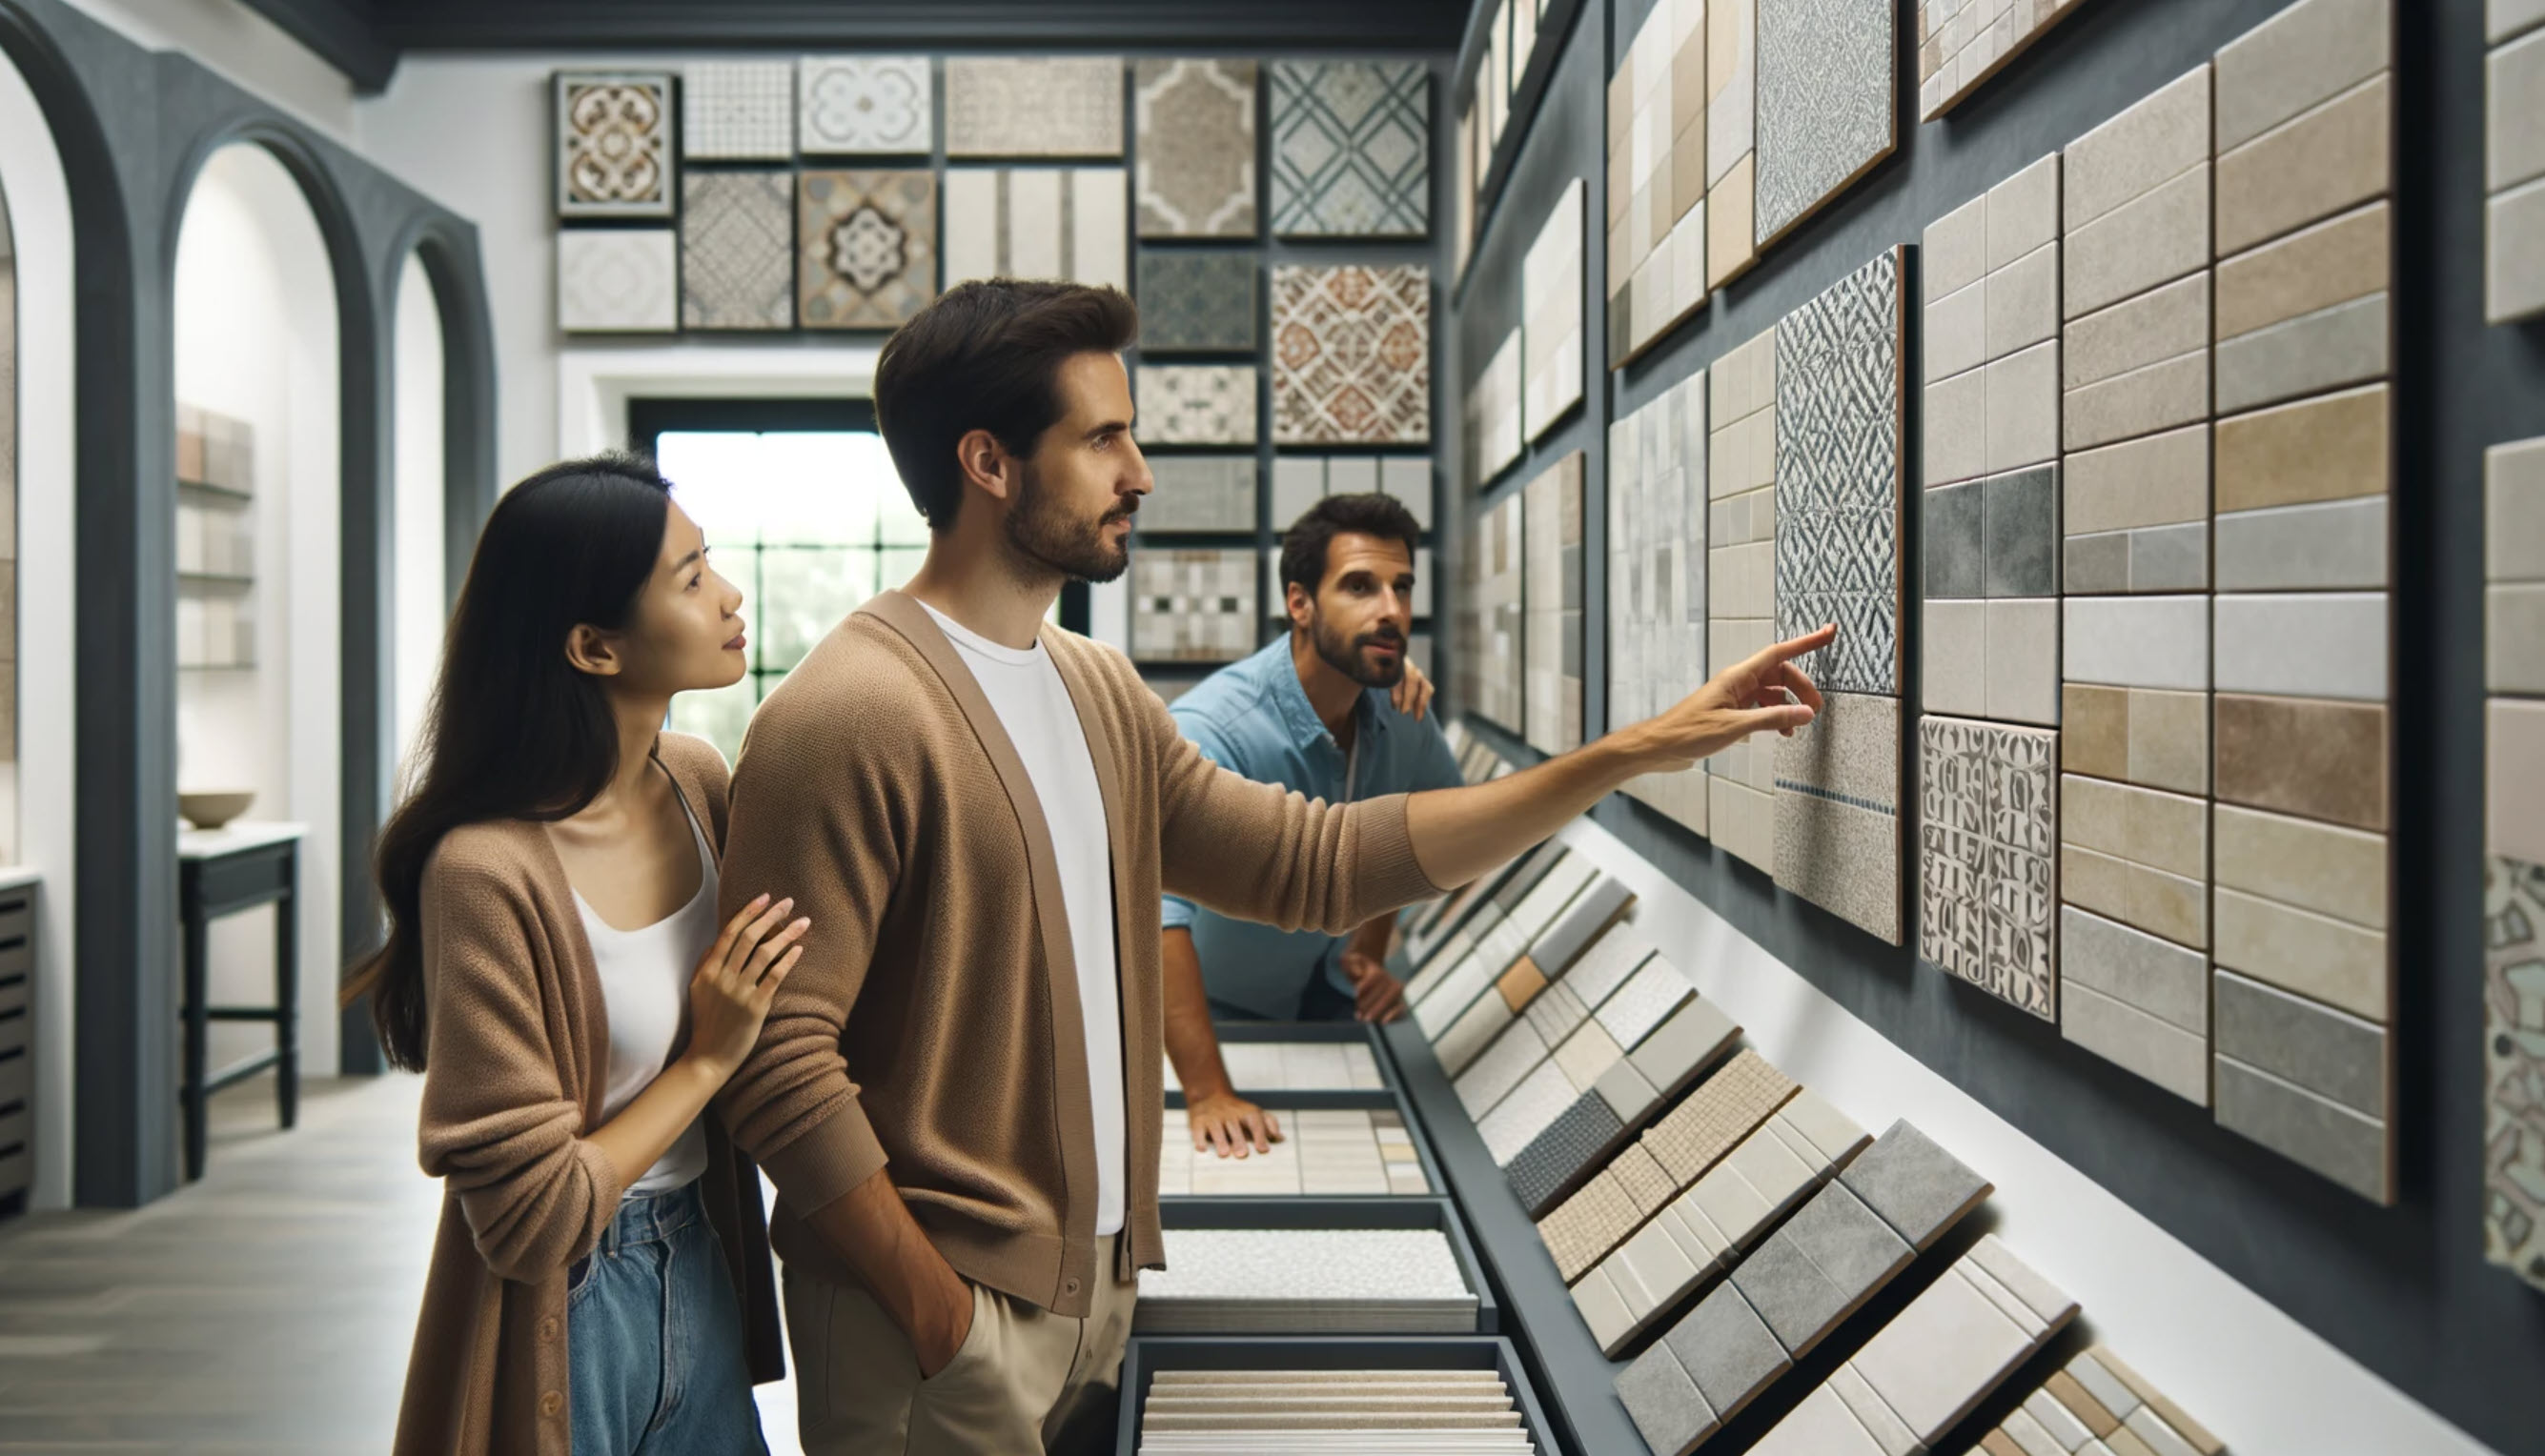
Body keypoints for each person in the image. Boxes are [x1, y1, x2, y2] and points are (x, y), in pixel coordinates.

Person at [712, 278, 1834, 1456]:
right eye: (1104, 438)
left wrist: (1637, 750)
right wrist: (940, 1316)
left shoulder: (1096, 691)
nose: (1139, 472)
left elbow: (1319, 864)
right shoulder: (842, 713)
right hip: (934, 1330)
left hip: (1088, 1303)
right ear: (989, 463)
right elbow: (778, 1059)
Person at [356, 455, 801, 1456]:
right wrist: (708, 1059)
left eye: (711, 563)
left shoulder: (699, 781)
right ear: (595, 647)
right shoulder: (484, 872)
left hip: (702, 1253)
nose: (729, 596)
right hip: (570, 1305)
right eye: (690, 579)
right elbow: (532, 1218)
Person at [1160, 493, 1461, 1160]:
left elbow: (1435, 836)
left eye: (1401, 587)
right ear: (1300, 603)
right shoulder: (1212, 733)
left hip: (1329, 1000)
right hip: (1215, 1021)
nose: (1391, 609)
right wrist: (1207, 1091)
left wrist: (1373, 951)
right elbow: (1158, 918)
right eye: (1360, 587)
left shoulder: (1403, 707)